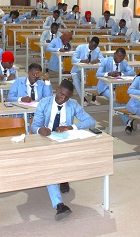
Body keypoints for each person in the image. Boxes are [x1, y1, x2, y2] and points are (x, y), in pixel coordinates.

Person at [31, 80, 95, 221]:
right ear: (57, 89)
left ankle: (63, 178)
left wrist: (71, 127)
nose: (63, 98)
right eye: (61, 94)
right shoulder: (44, 103)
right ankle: (59, 204)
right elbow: (34, 126)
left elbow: (91, 121)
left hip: (64, 142)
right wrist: (39, 130)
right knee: (50, 168)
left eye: (66, 96)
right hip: (46, 141)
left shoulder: (73, 104)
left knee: (62, 162)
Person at [96, 48, 135, 124]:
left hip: (118, 87)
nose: (120, 58)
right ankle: (127, 121)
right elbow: (98, 74)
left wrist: (121, 73)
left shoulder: (124, 62)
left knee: (126, 97)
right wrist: (108, 74)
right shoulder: (106, 61)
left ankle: (125, 117)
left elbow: (132, 72)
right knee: (115, 99)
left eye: (122, 57)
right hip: (105, 87)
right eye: (119, 56)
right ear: (115, 54)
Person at [71, 37, 104, 106]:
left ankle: (93, 99)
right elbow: (73, 59)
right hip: (78, 70)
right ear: (89, 42)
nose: (93, 47)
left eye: (95, 46)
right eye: (92, 45)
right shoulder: (80, 47)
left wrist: (98, 60)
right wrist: (81, 60)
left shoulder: (97, 49)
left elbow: (102, 59)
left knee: (96, 76)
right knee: (75, 79)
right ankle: (83, 99)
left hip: (89, 70)